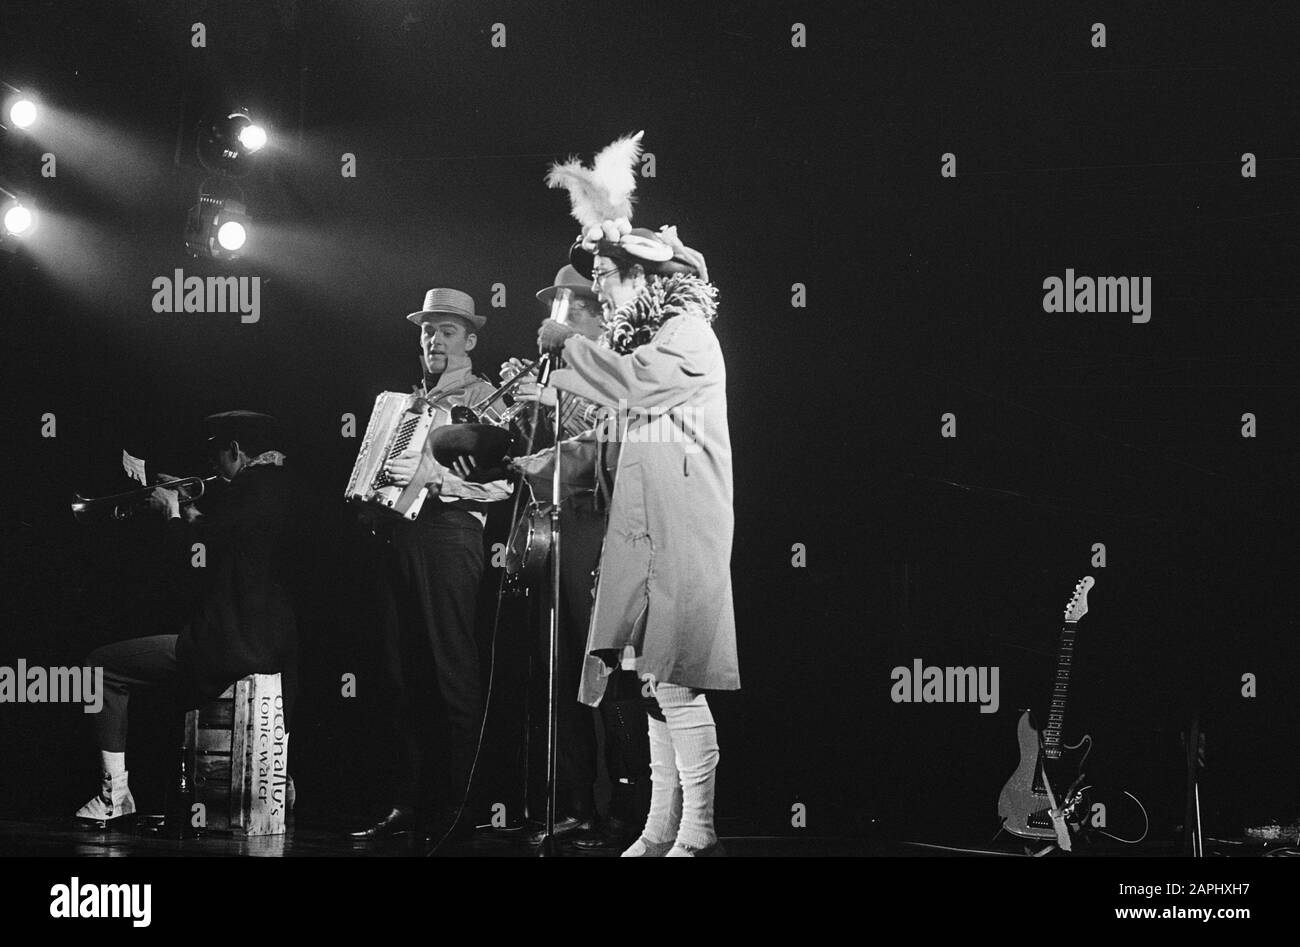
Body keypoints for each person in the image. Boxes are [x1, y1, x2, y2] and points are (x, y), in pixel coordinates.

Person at [536, 218, 738, 857]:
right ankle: (658, 831)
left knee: (675, 680)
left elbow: (631, 382)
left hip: (679, 530)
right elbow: (612, 424)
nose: (598, 291)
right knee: (652, 684)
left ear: (645, 277)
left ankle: (699, 831)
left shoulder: (688, 336)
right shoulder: (652, 341)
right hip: (644, 534)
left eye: (603, 276)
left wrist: (568, 346)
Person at [73, 411, 301, 829]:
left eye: (217, 455)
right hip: (276, 643)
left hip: (231, 641)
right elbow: (227, 540)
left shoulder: (250, 488)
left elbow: (197, 561)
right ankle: (279, 784)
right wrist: (190, 510)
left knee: (99, 668)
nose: (212, 466)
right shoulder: (273, 487)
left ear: (234, 450)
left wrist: (173, 515)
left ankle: (114, 797)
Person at [349, 287, 511, 848]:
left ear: (469, 339)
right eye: (427, 330)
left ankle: (460, 805)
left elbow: (504, 481)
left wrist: (437, 480)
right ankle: (410, 802)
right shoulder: (409, 399)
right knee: (401, 676)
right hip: (402, 534)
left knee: (451, 671)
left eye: (446, 330)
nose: (434, 339)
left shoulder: (487, 398)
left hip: (450, 531)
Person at [503, 264, 650, 849]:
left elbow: (616, 434)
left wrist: (554, 395)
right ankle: (576, 803)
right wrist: (524, 414)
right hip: (560, 533)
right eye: (558, 308)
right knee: (560, 670)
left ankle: (625, 809)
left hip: (605, 530)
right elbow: (541, 454)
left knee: (606, 671)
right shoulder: (556, 371)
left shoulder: (616, 363)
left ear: (595, 314)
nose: (559, 319)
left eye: (572, 308)